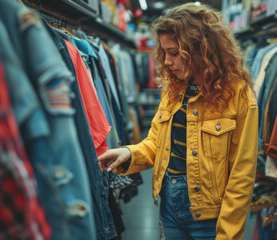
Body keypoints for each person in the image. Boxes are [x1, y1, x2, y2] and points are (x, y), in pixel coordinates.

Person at [98, 3, 258, 240]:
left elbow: (241, 175)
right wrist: (129, 154)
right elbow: (157, 141)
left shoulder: (237, 94)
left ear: (200, 49)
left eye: (174, 53)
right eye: (164, 53)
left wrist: (229, 233)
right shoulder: (173, 89)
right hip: (169, 206)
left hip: (209, 217)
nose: (168, 62)